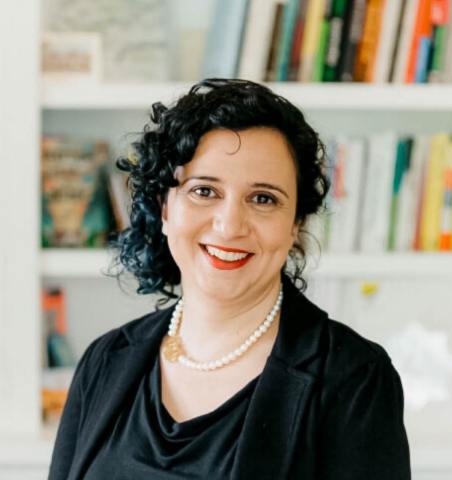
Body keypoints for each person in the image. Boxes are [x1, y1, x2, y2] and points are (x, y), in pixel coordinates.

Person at [48, 78, 411, 480]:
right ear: (164, 209)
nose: (229, 226)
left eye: (263, 198)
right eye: (204, 191)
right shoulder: (105, 359)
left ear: (295, 226)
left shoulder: (355, 378)